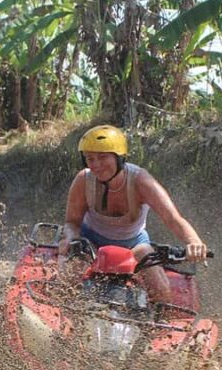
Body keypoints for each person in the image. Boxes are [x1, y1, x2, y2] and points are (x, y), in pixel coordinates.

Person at [57, 124, 208, 303]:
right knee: (67, 278)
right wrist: (70, 238)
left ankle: (156, 327)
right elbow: (72, 221)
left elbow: (173, 218)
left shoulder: (141, 181)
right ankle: (62, 323)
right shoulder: (84, 180)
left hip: (134, 243)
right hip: (90, 240)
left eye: (103, 157)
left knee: (161, 289)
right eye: (90, 159)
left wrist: (194, 242)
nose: (96, 165)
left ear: (119, 157)